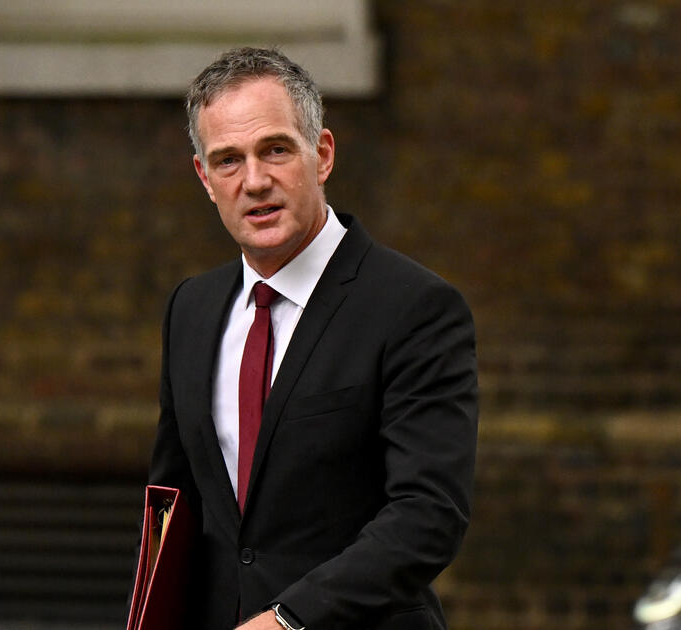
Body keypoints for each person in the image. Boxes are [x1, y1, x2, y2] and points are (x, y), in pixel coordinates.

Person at [146, 47, 478, 630]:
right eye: (228, 160)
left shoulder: (415, 308)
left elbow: (428, 515)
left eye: (275, 150)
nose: (255, 181)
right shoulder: (191, 310)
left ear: (321, 154)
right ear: (205, 178)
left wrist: (287, 621)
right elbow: (172, 510)